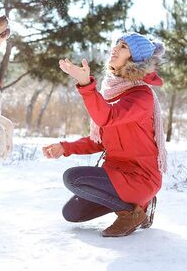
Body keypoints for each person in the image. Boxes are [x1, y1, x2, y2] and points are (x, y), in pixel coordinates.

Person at [42, 32, 167, 237]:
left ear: (135, 59)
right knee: (71, 213)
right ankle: (138, 205)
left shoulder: (141, 96)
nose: (115, 49)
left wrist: (85, 85)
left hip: (139, 178)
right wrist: (65, 147)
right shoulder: (112, 92)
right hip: (116, 174)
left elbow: (106, 117)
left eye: (124, 46)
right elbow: (99, 140)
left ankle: (132, 212)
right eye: (116, 44)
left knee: (74, 178)